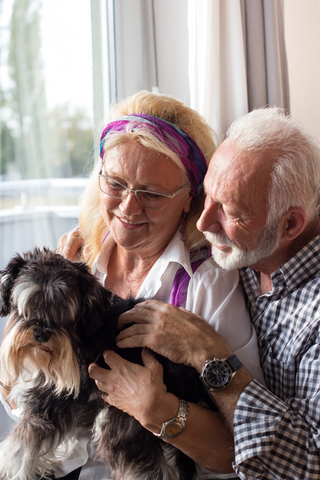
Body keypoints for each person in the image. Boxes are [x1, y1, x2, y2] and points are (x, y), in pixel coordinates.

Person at [37, 90, 265, 479]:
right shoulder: (77, 259)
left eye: (152, 193)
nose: (127, 207)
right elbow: (19, 391)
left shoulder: (207, 283)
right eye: (115, 183)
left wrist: (157, 410)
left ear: (189, 199)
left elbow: (243, 449)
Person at [115, 106, 320, 480]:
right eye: (207, 195)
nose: (203, 221)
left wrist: (211, 357)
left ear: (290, 223)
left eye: (229, 211)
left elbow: (309, 464)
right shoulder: (246, 255)